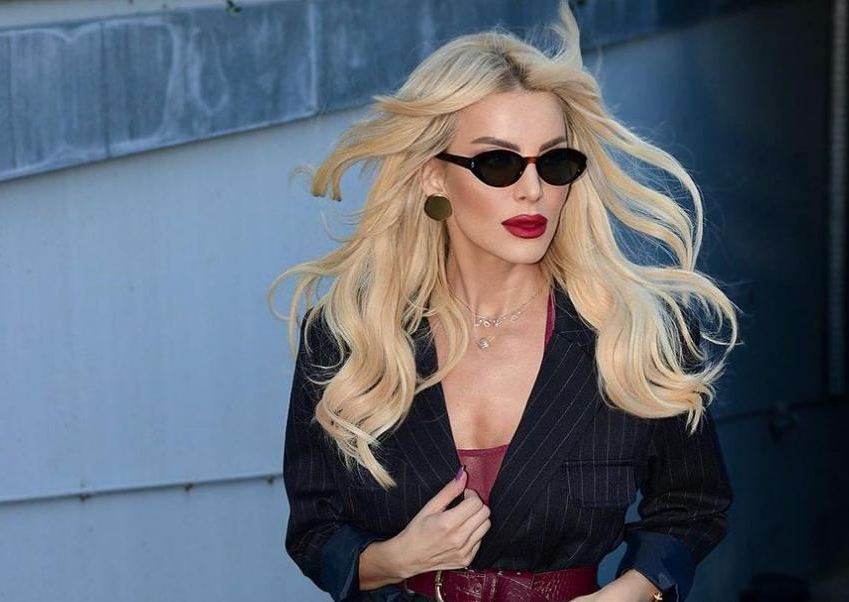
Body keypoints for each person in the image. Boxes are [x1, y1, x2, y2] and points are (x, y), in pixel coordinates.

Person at [269, 2, 740, 600]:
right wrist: (395, 559)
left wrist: (628, 593)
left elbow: (694, 505)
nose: (533, 189)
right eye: (498, 162)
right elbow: (315, 530)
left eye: (555, 162)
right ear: (433, 176)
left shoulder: (639, 332)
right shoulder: (349, 334)